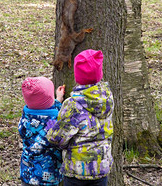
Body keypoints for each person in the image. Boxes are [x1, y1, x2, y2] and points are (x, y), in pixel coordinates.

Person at [47, 49, 114, 186]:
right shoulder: (107, 98)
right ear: (99, 74)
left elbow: (57, 138)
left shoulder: (73, 105)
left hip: (77, 173)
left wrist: (51, 127)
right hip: (101, 168)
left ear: (77, 76)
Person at [18, 76, 65, 186]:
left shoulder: (26, 117)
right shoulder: (54, 123)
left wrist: (57, 101)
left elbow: (46, 114)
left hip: (27, 174)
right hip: (47, 178)